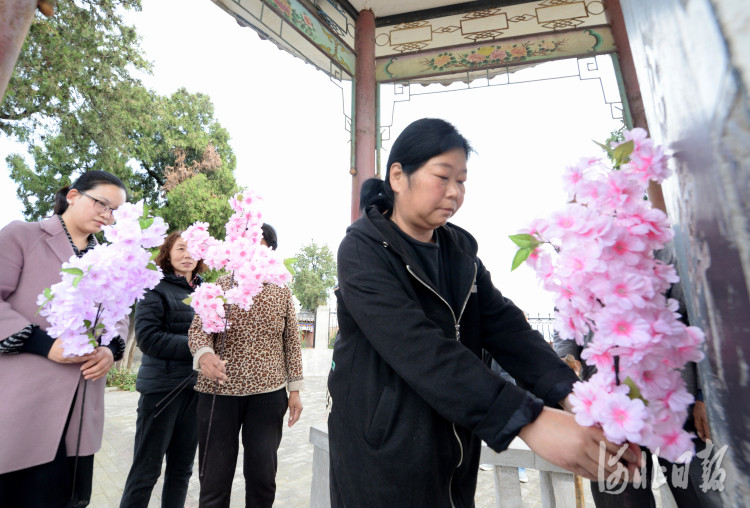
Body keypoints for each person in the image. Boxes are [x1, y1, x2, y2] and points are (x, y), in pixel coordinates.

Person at [327, 118, 641, 507]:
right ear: (397, 175)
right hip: (381, 458)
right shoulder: (362, 251)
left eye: (462, 181)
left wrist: (572, 394)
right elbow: (420, 348)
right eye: (443, 176)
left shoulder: (459, 251)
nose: (455, 192)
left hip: (455, 449)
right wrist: (528, 419)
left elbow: (506, 327)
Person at [553, 246, 722, 508]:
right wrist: (567, 361)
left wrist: (704, 397)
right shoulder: (576, 259)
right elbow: (565, 327)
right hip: (610, 413)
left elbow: (699, 321)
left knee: (703, 497)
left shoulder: (665, 249)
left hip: (677, 407)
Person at [0, 171, 129, 507]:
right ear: (73, 196)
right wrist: (45, 345)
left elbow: (120, 316)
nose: (108, 215)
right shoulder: (23, 235)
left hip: (82, 401)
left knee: (67, 497)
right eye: (102, 203)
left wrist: (110, 350)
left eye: (115, 211)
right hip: (26, 398)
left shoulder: (110, 260)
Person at [188, 223, 304, 508]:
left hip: (268, 394)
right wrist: (205, 356)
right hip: (219, 392)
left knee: (263, 478)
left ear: (270, 252)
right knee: (214, 481)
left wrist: (295, 390)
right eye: (245, 243)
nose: (251, 250)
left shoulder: (281, 292)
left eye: (259, 244)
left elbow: (292, 342)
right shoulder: (219, 287)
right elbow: (198, 329)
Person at [119, 232, 206, 508]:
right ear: (167, 254)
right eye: (180, 248)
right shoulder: (153, 287)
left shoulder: (205, 292)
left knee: (181, 472)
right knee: (146, 471)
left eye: (193, 250)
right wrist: (200, 347)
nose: (187, 254)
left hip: (194, 390)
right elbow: (148, 338)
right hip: (162, 392)